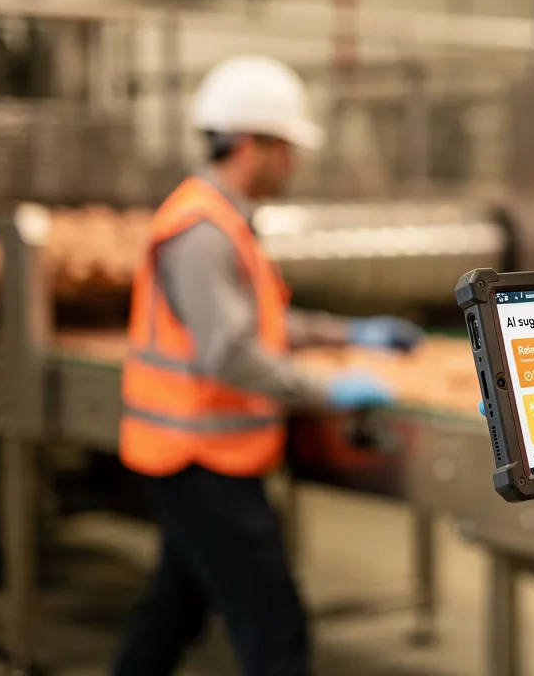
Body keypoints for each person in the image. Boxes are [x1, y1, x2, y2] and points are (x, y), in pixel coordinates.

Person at [112, 55, 425, 676]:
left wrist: (353, 332)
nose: (295, 163)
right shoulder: (200, 231)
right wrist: (328, 389)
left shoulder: (224, 220)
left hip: (199, 457)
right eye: (289, 147)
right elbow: (230, 354)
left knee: (174, 609)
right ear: (254, 144)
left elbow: (263, 324)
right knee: (275, 633)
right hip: (199, 460)